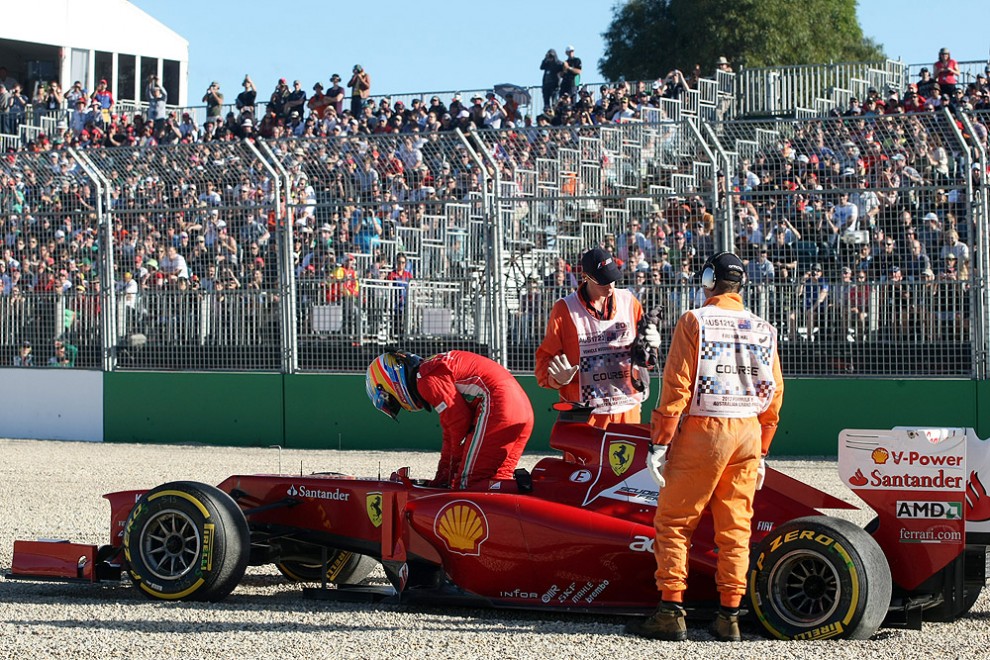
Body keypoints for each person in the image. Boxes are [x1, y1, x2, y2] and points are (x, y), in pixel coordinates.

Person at [626, 251, 783, 643]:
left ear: (709, 278)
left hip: (704, 430)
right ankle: (729, 614)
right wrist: (763, 447)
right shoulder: (763, 328)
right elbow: (775, 394)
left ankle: (670, 611)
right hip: (747, 431)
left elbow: (677, 387)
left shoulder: (694, 320)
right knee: (735, 529)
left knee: (676, 523)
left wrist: (659, 441)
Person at [366, 350, 534, 490]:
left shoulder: (426, 377)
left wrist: (448, 476)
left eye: (391, 401)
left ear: (390, 381)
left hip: (500, 404)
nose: (399, 405)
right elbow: (451, 430)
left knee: (469, 484)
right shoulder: (430, 369)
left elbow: (459, 424)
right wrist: (442, 477)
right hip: (522, 408)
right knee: (496, 481)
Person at [535, 246, 661, 429]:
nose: (610, 286)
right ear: (586, 277)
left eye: (613, 279)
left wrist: (652, 349)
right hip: (584, 415)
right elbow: (544, 364)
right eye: (603, 281)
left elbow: (643, 359)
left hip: (627, 411)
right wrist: (558, 379)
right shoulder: (564, 310)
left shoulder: (629, 301)